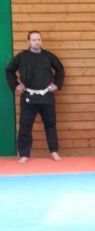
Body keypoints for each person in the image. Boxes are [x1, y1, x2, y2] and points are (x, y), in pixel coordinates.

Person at [5, 30, 65, 164]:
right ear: (28, 42)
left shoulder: (48, 56)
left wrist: (57, 84)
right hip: (28, 96)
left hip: (46, 96)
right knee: (25, 126)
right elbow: (9, 70)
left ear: (41, 41)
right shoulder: (21, 57)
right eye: (34, 40)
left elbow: (60, 69)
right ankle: (24, 154)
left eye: (38, 39)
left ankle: (54, 151)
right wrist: (15, 84)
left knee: (50, 124)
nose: (37, 42)